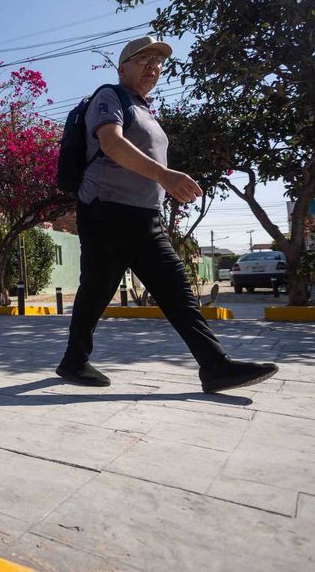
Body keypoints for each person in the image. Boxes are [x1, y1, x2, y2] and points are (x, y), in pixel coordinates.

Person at [56, 35, 278, 393]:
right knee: (115, 288)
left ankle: (212, 367)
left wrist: (164, 187)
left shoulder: (145, 111)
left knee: (146, 289)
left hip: (144, 215)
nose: (152, 67)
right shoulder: (109, 96)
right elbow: (111, 143)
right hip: (108, 210)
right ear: (123, 67)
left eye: (158, 62)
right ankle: (212, 366)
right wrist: (164, 175)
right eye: (144, 59)